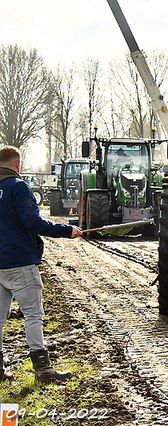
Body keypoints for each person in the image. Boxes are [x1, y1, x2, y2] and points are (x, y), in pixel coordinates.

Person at [0, 146, 83, 383]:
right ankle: (43, 369)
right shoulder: (18, 186)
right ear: (17, 164)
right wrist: (68, 230)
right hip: (20, 262)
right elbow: (33, 222)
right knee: (33, 314)